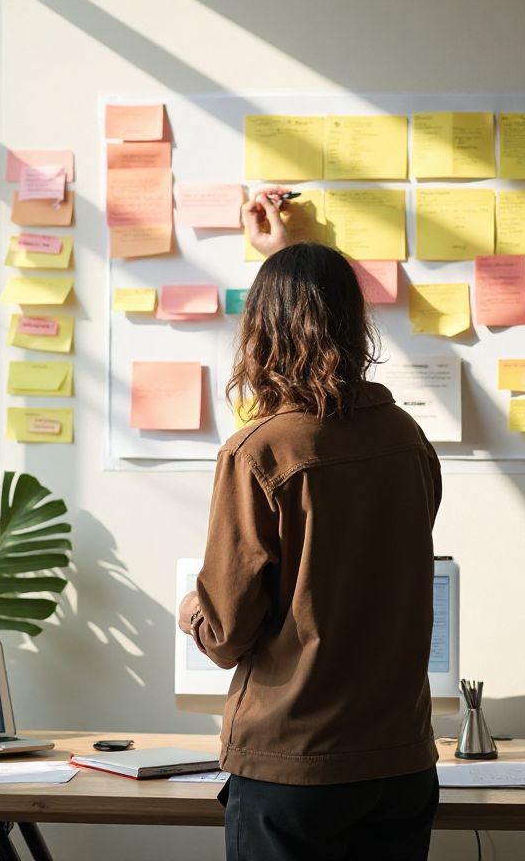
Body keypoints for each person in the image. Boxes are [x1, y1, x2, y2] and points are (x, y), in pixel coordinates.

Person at [178, 188, 443, 861]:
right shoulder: (407, 439)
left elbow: (227, 634)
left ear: (260, 332)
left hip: (294, 770)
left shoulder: (259, 452)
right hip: (401, 765)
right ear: (356, 326)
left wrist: (190, 611)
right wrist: (286, 254)